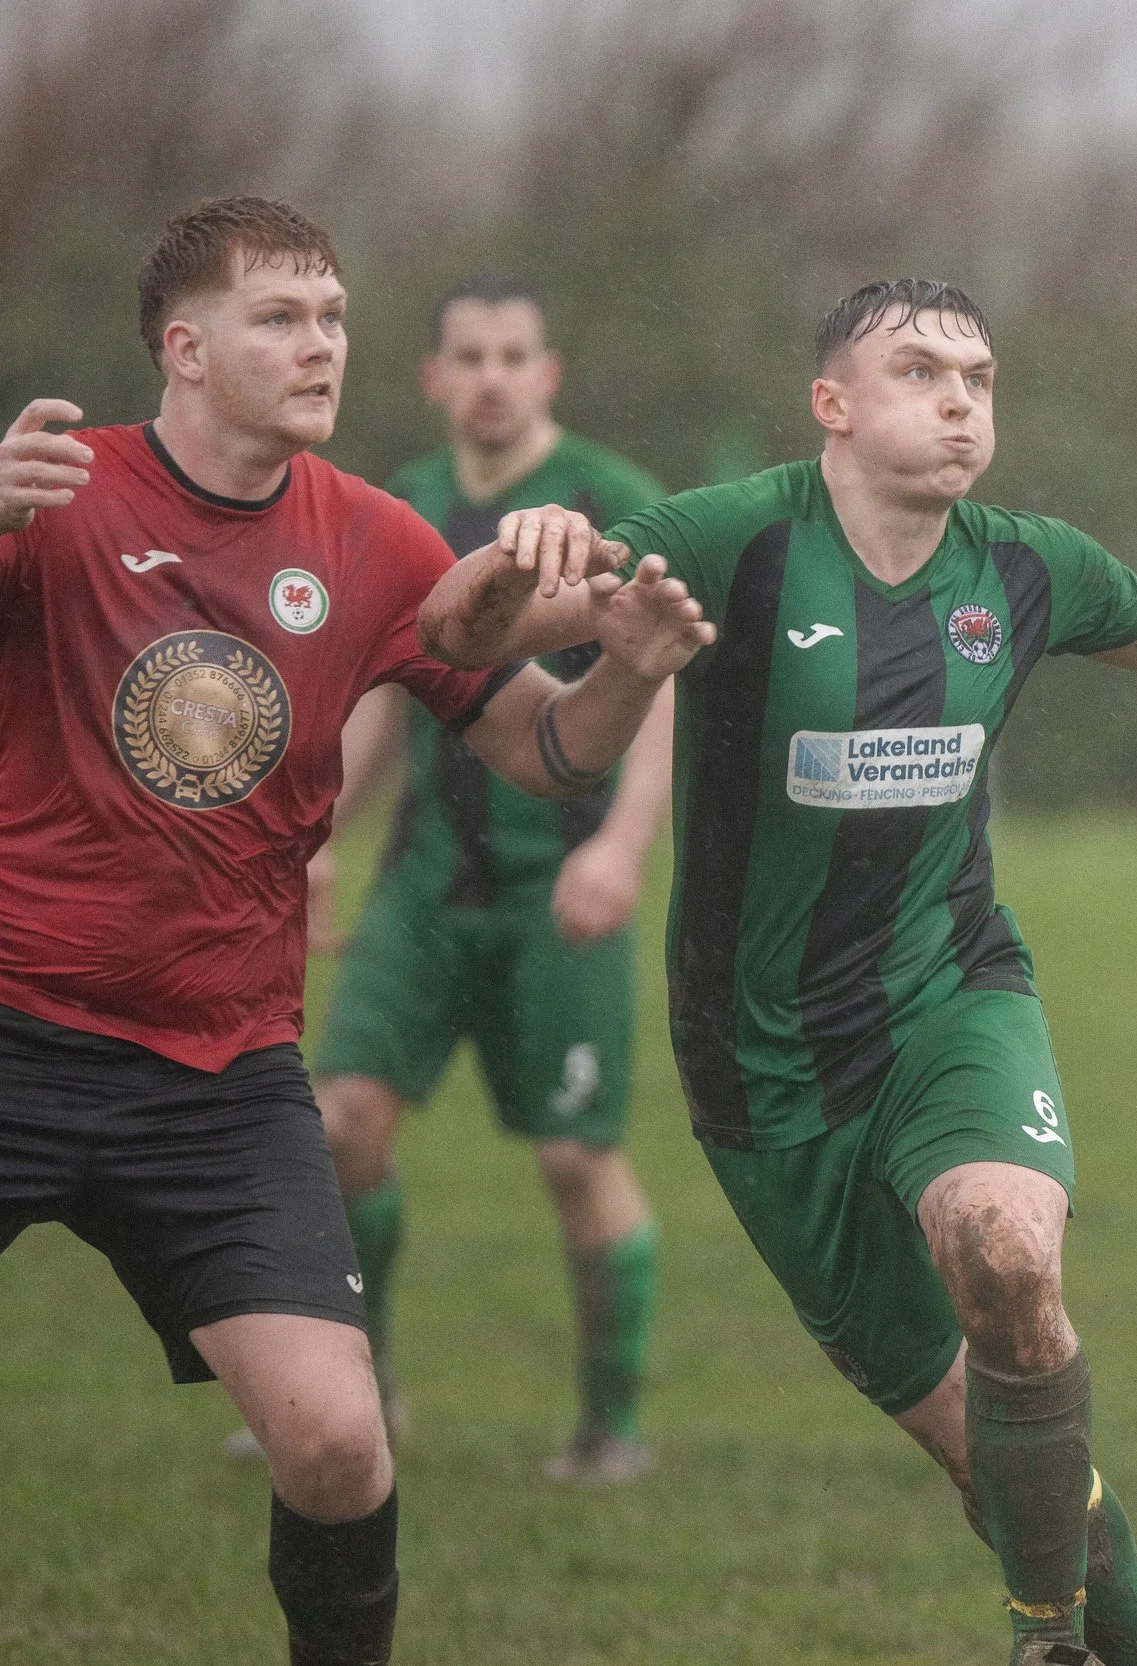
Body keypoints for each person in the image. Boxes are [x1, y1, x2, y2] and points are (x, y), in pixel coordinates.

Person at [419, 277, 1137, 1666]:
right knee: (990, 1451)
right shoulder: (733, 538)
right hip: (763, 1063)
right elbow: (466, 640)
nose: (961, 398)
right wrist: (510, 562)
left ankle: (1044, 1641)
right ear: (832, 405)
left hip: (952, 996)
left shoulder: (1022, 564)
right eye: (920, 371)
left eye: (980, 376)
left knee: (1009, 1252)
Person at [0, 195, 707, 1664]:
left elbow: (545, 750)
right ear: (183, 349)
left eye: (333, 318)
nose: (323, 345)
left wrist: (628, 668)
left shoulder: (375, 538)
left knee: (337, 1446)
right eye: (282, 318)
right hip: (16, 1026)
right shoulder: (59, 494)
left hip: (219, 1073)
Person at [226, 274, 674, 1482]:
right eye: (466, 356)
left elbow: (658, 674)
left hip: (558, 888)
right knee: (342, 1127)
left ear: (547, 374)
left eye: (511, 354)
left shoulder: (609, 497)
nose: (489, 375)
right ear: (431, 378)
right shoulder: (401, 510)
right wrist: (318, 847)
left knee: (578, 1160)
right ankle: (358, 1392)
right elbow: (380, 696)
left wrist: (622, 845)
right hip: (425, 884)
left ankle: (609, 1426)